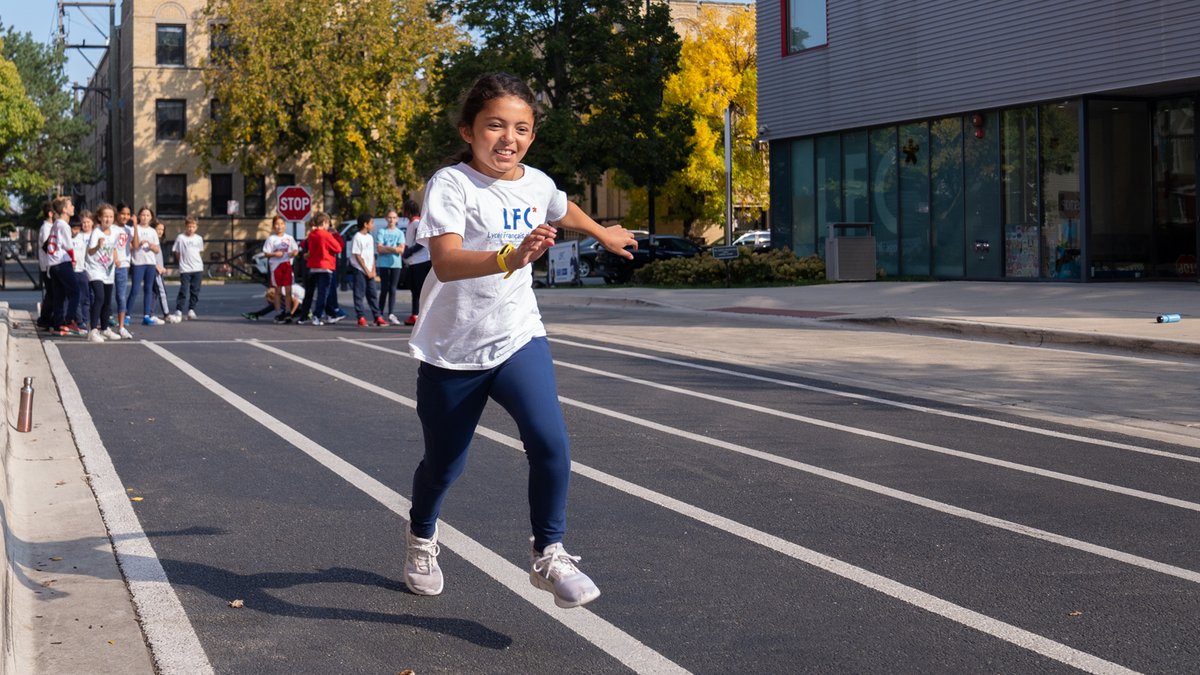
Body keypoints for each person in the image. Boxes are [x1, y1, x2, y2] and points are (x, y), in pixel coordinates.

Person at [402, 72, 636, 609]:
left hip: (517, 337)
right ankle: (421, 537)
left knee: (551, 442)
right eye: (496, 126)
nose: (509, 138)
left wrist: (603, 232)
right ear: (469, 130)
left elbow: (558, 205)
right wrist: (512, 256)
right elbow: (446, 260)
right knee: (444, 466)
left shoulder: (536, 182)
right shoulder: (451, 184)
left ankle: (549, 553)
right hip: (452, 351)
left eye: (522, 128)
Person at [293, 212, 344, 325]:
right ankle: (317, 316)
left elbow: (309, 249)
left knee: (310, 293)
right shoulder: (326, 235)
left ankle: (306, 316)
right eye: (328, 223)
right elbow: (338, 248)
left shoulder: (312, 235)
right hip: (326, 266)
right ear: (325, 222)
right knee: (323, 293)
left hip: (313, 266)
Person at [45, 196, 82, 336]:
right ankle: (69, 320)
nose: (73, 207)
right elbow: (68, 246)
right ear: (65, 210)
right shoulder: (64, 225)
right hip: (62, 261)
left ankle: (58, 323)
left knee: (59, 295)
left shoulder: (55, 224)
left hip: (53, 264)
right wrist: (73, 259)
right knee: (75, 291)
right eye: (70, 205)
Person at [84, 204, 122, 342]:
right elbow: (90, 251)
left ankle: (105, 329)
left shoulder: (115, 232)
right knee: (99, 297)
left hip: (108, 270)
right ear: (99, 217)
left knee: (107, 300)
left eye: (111, 216)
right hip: (94, 269)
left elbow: (114, 248)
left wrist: (116, 260)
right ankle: (93, 330)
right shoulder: (96, 232)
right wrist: (98, 246)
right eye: (105, 216)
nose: (108, 219)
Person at [349, 214, 385, 326]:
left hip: (370, 271)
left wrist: (373, 270)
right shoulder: (357, 237)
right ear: (365, 224)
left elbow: (372, 255)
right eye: (372, 222)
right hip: (360, 269)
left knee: (373, 294)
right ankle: (361, 317)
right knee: (359, 294)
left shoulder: (370, 237)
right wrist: (366, 270)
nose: (373, 225)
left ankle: (377, 316)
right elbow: (357, 255)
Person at [262, 215, 299, 322]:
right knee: (277, 290)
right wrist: (274, 254)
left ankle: (287, 312)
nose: (280, 226)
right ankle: (278, 312)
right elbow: (266, 253)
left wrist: (293, 253)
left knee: (288, 289)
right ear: (273, 227)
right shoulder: (271, 239)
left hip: (286, 265)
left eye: (282, 224)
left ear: (285, 225)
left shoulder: (289, 238)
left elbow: (295, 250)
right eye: (277, 224)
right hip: (276, 266)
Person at [129, 206, 161, 326]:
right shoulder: (133, 229)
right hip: (138, 262)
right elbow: (130, 246)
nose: (145, 217)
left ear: (151, 217)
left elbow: (157, 249)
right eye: (143, 215)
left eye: (148, 215)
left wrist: (151, 246)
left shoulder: (153, 231)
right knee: (135, 289)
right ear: (139, 216)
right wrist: (138, 243)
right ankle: (127, 315)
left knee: (148, 290)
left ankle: (147, 315)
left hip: (150, 263)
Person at [400, 197, 429, 326]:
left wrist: (409, 251)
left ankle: (421, 315)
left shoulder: (417, 223)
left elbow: (421, 242)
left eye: (403, 209)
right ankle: (415, 314)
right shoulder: (411, 223)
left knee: (420, 290)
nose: (402, 211)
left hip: (421, 261)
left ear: (408, 210)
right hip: (413, 262)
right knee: (414, 290)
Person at [375, 208, 406, 324]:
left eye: (394, 217)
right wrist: (393, 249)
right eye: (389, 217)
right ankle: (380, 313)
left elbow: (401, 249)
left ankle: (391, 313)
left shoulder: (399, 233)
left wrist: (387, 248)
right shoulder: (382, 231)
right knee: (384, 289)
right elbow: (379, 248)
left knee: (393, 289)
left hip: (396, 264)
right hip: (383, 264)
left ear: (397, 219)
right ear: (386, 218)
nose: (391, 220)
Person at [172, 216, 204, 321]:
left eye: (193, 226)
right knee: (184, 289)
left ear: (196, 227)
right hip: (185, 268)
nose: (191, 229)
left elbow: (199, 251)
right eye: (189, 226)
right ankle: (179, 309)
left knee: (195, 290)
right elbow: (176, 251)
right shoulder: (181, 238)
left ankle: (191, 309)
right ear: (185, 226)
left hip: (197, 267)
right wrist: (181, 261)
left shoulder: (199, 238)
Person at [113, 202, 134, 335]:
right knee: (104, 296)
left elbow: (135, 245)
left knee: (121, 296)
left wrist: (135, 226)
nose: (125, 216)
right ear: (118, 214)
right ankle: (103, 325)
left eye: (128, 214)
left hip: (124, 265)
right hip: (110, 265)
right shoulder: (112, 228)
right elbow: (111, 246)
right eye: (123, 214)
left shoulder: (129, 229)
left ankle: (121, 327)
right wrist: (115, 258)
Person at [71, 212, 94, 330]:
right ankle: (79, 321)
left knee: (86, 298)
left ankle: (86, 320)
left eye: (77, 229)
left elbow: (86, 254)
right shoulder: (70, 238)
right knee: (77, 297)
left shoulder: (83, 239)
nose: (76, 231)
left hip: (83, 270)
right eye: (74, 229)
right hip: (72, 271)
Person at [35, 200, 56, 330]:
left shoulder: (50, 227)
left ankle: (47, 318)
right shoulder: (46, 228)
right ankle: (45, 319)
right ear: (50, 213)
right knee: (51, 293)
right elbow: (46, 246)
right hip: (47, 265)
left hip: (49, 264)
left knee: (52, 293)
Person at [152, 220, 172, 321]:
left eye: (162, 230)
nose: (160, 231)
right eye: (158, 229)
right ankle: (166, 314)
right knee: (162, 291)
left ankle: (150, 313)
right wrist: (157, 266)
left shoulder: (158, 242)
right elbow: (150, 256)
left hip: (159, 270)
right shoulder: (152, 242)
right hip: (155, 271)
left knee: (154, 293)